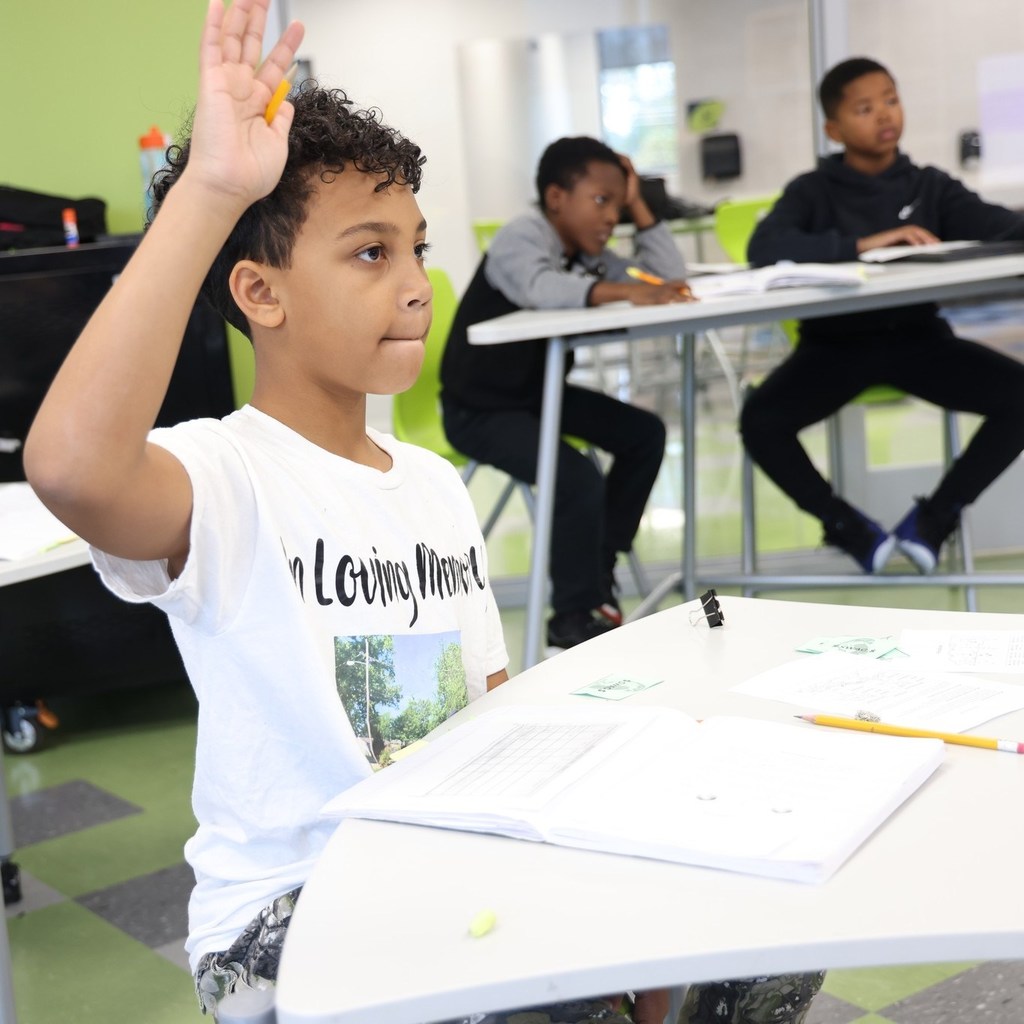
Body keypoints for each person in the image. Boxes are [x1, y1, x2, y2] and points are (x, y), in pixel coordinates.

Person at [743, 56, 1024, 574]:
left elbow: (1000, 226)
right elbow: (765, 247)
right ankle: (846, 526)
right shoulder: (812, 190)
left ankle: (934, 520)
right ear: (834, 128)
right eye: (865, 108)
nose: (884, 115)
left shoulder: (929, 186)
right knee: (759, 420)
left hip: (921, 343)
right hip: (834, 350)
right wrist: (863, 244)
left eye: (891, 100)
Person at [440, 136, 689, 652]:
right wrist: (625, 290)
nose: (611, 217)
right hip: (478, 408)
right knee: (575, 474)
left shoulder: (588, 254)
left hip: (538, 396)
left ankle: (598, 563)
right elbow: (541, 289)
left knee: (645, 434)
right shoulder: (521, 236)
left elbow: (668, 279)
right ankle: (572, 617)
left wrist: (640, 205)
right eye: (602, 201)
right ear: (556, 197)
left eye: (619, 205)